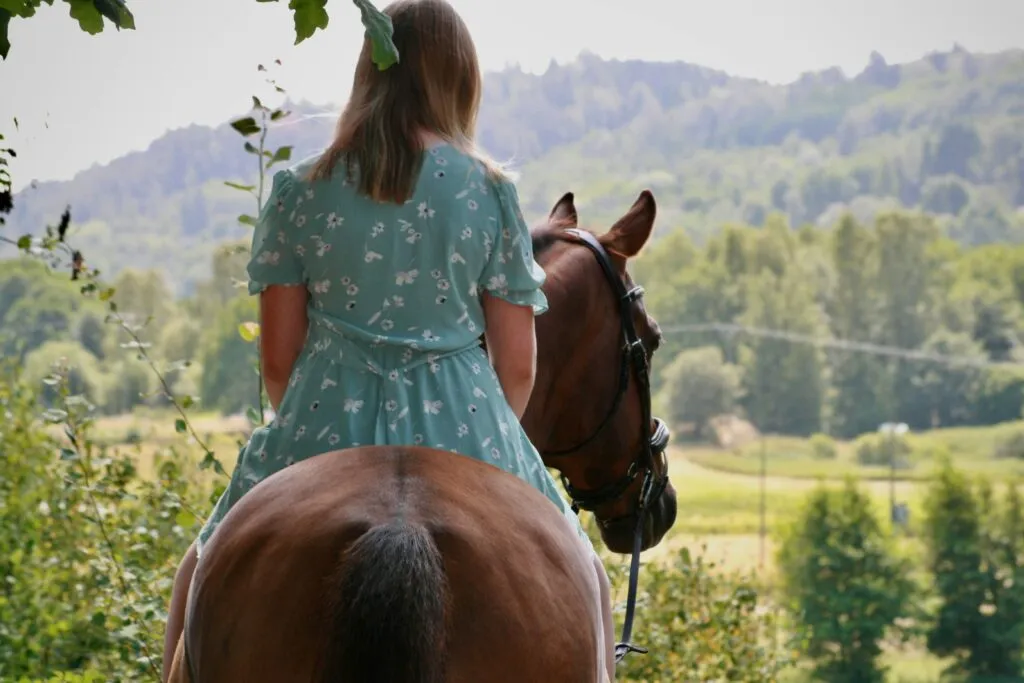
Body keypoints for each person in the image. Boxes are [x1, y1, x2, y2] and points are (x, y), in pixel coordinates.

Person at [160, 0, 614, 679]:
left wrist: (315, 413)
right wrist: (483, 440)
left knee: (198, 576)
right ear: (459, 81)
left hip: (322, 415)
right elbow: (517, 368)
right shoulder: (489, 192)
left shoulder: (297, 189)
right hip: (464, 422)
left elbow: (279, 365)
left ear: (367, 74)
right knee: (591, 588)